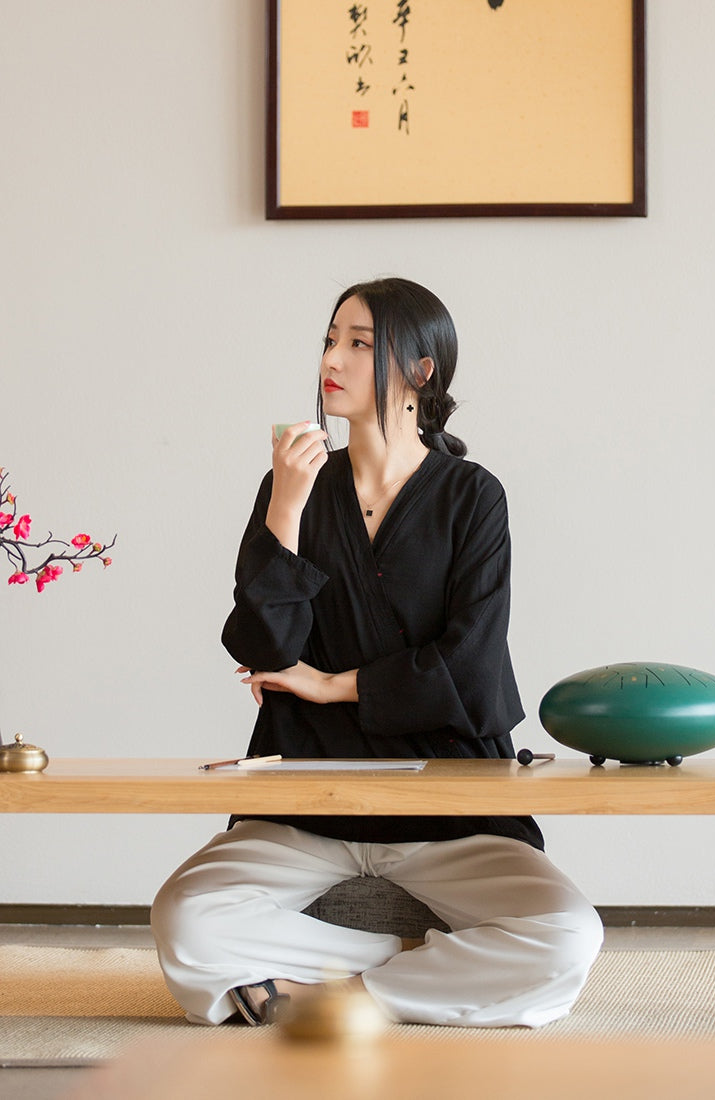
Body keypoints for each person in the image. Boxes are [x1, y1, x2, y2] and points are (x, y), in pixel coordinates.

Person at [151, 276, 602, 1028]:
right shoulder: (293, 486)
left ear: (421, 371)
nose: (333, 358)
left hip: (451, 805)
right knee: (184, 918)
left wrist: (333, 685)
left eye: (360, 343)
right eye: (331, 339)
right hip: (306, 800)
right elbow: (264, 645)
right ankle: (413, 970)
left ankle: (336, 995)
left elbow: (471, 666)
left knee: (568, 937)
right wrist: (286, 505)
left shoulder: (472, 497)